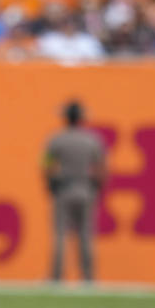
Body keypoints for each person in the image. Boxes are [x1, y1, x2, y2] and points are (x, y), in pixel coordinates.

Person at [44, 100, 107, 282]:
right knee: (86, 236)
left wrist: (50, 184)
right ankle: (88, 277)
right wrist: (97, 188)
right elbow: (102, 167)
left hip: (64, 189)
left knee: (60, 235)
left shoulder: (57, 139)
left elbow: (46, 165)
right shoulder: (92, 140)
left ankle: (56, 277)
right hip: (86, 189)